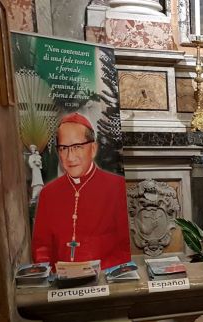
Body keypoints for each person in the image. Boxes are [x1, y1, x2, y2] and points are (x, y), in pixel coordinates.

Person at [31, 113, 131, 269]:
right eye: (64, 148)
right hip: (60, 281)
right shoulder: (48, 193)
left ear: (93, 149)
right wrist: (50, 273)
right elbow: (41, 248)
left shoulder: (117, 187)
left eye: (77, 147)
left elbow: (126, 248)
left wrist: (98, 271)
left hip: (105, 278)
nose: (70, 157)